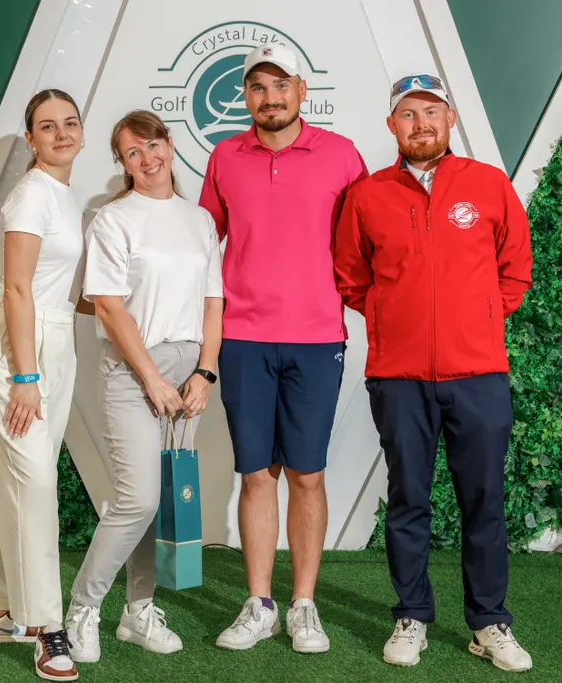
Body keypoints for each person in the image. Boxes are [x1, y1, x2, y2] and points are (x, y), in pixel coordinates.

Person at [332, 74, 534, 671]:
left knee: (484, 501)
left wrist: (477, 318)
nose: (420, 124)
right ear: (392, 125)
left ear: (450, 119)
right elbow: (351, 278)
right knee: (407, 500)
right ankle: (412, 616)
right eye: (408, 114)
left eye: (431, 112)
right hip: (399, 378)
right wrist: (395, 320)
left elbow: (515, 269)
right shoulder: (367, 196)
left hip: (478, 376)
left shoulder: (489, 185)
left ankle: (490, 622)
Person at [198, 44, 368, 654]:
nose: (270, 98)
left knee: (307, 474)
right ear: (246, 96)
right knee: (255, 475)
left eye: (280, 85)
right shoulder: (225, 156)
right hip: (243, 338)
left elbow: (367, 240)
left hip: (317, 338)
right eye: (257, 87)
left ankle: (303, 605)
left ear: (301, 89)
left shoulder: (342, 155)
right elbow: (201, 245)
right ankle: (259, 604)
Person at [63, 109, 224, 662]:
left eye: (153, 145)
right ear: (123, 164)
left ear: (169, 145)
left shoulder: (199, 220)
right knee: (137, 499)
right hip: (135, 372)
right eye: (133, 152)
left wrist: (205, 372)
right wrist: (153, 379)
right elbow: (107, 307)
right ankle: (82, 610)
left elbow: (213, 303)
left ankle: (138, 612)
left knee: (161, 500)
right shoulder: (113, 219)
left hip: (189, 373)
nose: (147, 158)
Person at [0, 88, 86, 682]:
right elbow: (16, 289)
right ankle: (45, 625)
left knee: (11, 474)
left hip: (55, 343)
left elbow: (56, 287)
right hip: (17, 351)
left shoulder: (65, 194)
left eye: (70, 122)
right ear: (31, 138)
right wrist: (25, 375)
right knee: (35, 484)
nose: (61, 133)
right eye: (47, 125)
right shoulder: (32, 194)